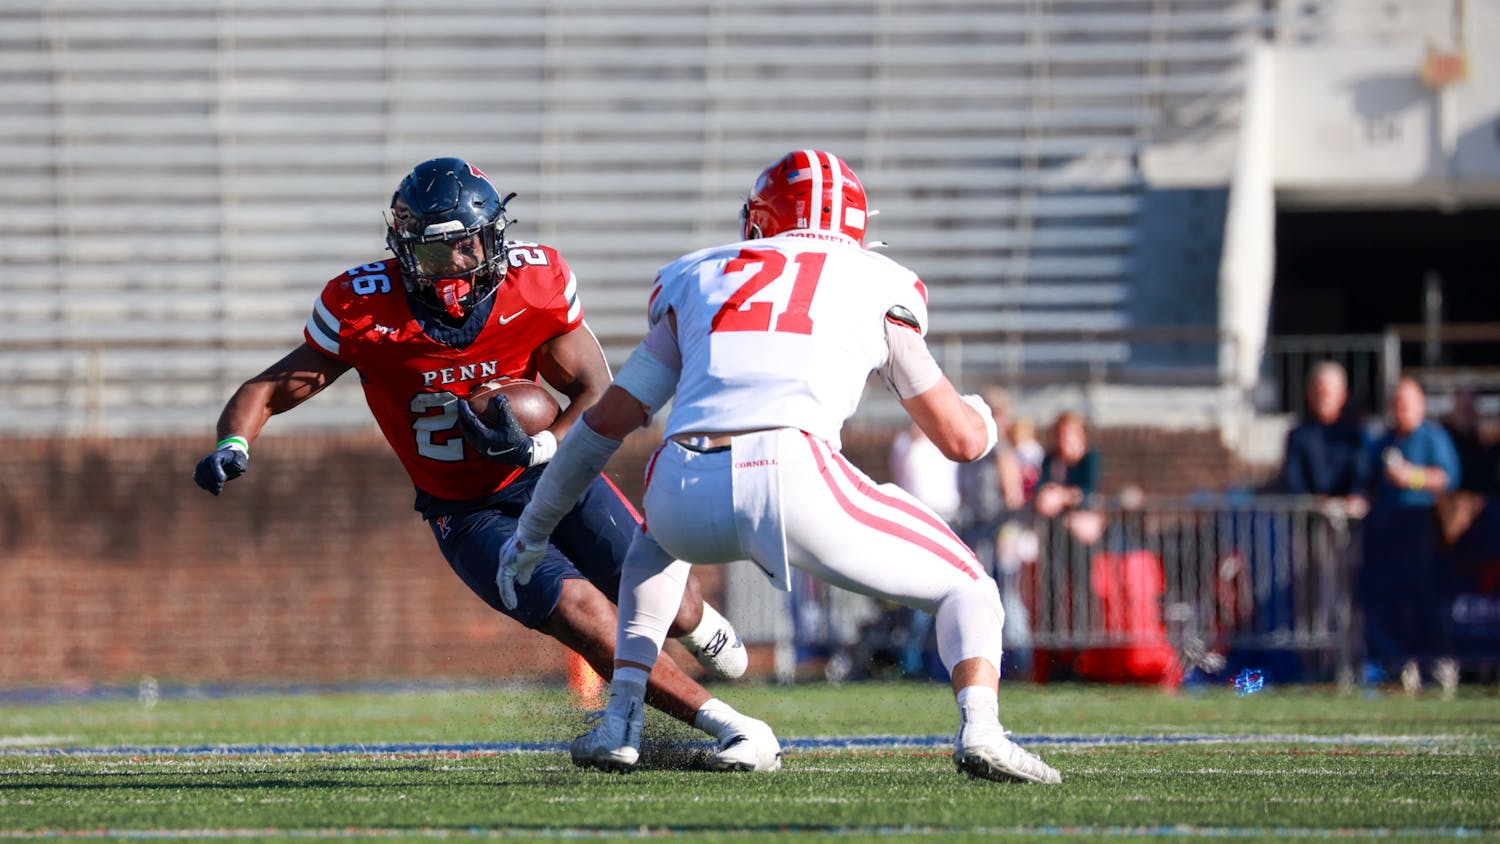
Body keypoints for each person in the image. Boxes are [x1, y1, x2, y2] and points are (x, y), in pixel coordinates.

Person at [191, 157, 778, 770]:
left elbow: (597, 389)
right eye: (437, 254)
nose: (457, 268)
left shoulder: (533, 283)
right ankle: (730, 725)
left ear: (494, 237)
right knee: (586, 616)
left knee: (671, 603)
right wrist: (234, 443)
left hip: (557, 475)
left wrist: (545, 442)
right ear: (404, 251)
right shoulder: (365, 309)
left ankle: (705, 629)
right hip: (467, 512)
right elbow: (269, 388)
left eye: (468, 247)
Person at [502, 150, 1060, 784]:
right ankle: (982, 729)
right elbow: (959, 440)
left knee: (653, 547)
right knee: (970, 586)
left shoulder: (702, 276)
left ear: (760, 221)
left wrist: (533, 532)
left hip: (682, 478)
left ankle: (620, 721)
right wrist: (986, 417)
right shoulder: (874, 278)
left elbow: (607, 422)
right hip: (795, 472)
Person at [1360, 376, 1461, 694]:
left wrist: (1412, 477)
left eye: (1407, 403)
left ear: (1420, 406)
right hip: (1387, 533)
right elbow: (1367, 483)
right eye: (1397, 403)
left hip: (1421, 530)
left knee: (1426, 601)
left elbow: (1447, 477)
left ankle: (1438, 664)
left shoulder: (1432, 437)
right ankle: (1402, 666)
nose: (1401, 410)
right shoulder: (1383, 441)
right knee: (1393, 603)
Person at [1279, 360, 1370, 516]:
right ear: (1309, 394)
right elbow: (1293, 480)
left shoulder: (1356, 435)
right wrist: (1314, 501)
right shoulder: (1298, 436)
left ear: (1342, 395)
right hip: (1310, 520)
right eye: (1318, 393)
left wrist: (1354, 497)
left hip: (1349, 520)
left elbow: (1362, 474)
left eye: (1328, 394)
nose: (1323, 399)